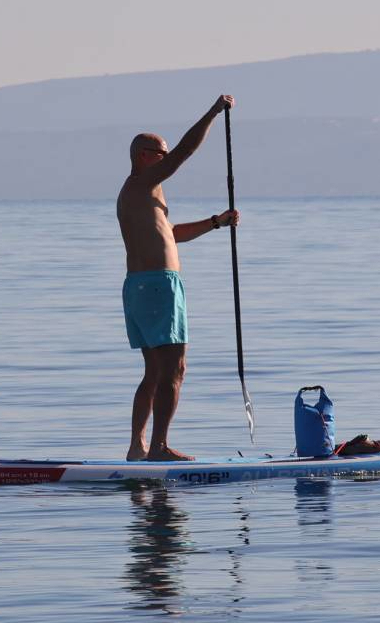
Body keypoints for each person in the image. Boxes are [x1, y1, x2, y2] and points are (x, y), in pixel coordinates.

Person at [117, 94, 239, 462]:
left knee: (154, 370)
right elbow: (185, 151)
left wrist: (215, 222)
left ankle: (137, 447)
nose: (168, 159)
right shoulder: (141, 183)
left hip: (142, 287)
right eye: (162, 154)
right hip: (157, 285)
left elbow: (171, 234)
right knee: (175, 368)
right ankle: (158, 447)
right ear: (145, 156)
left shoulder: (142, 194)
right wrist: (214, 112)